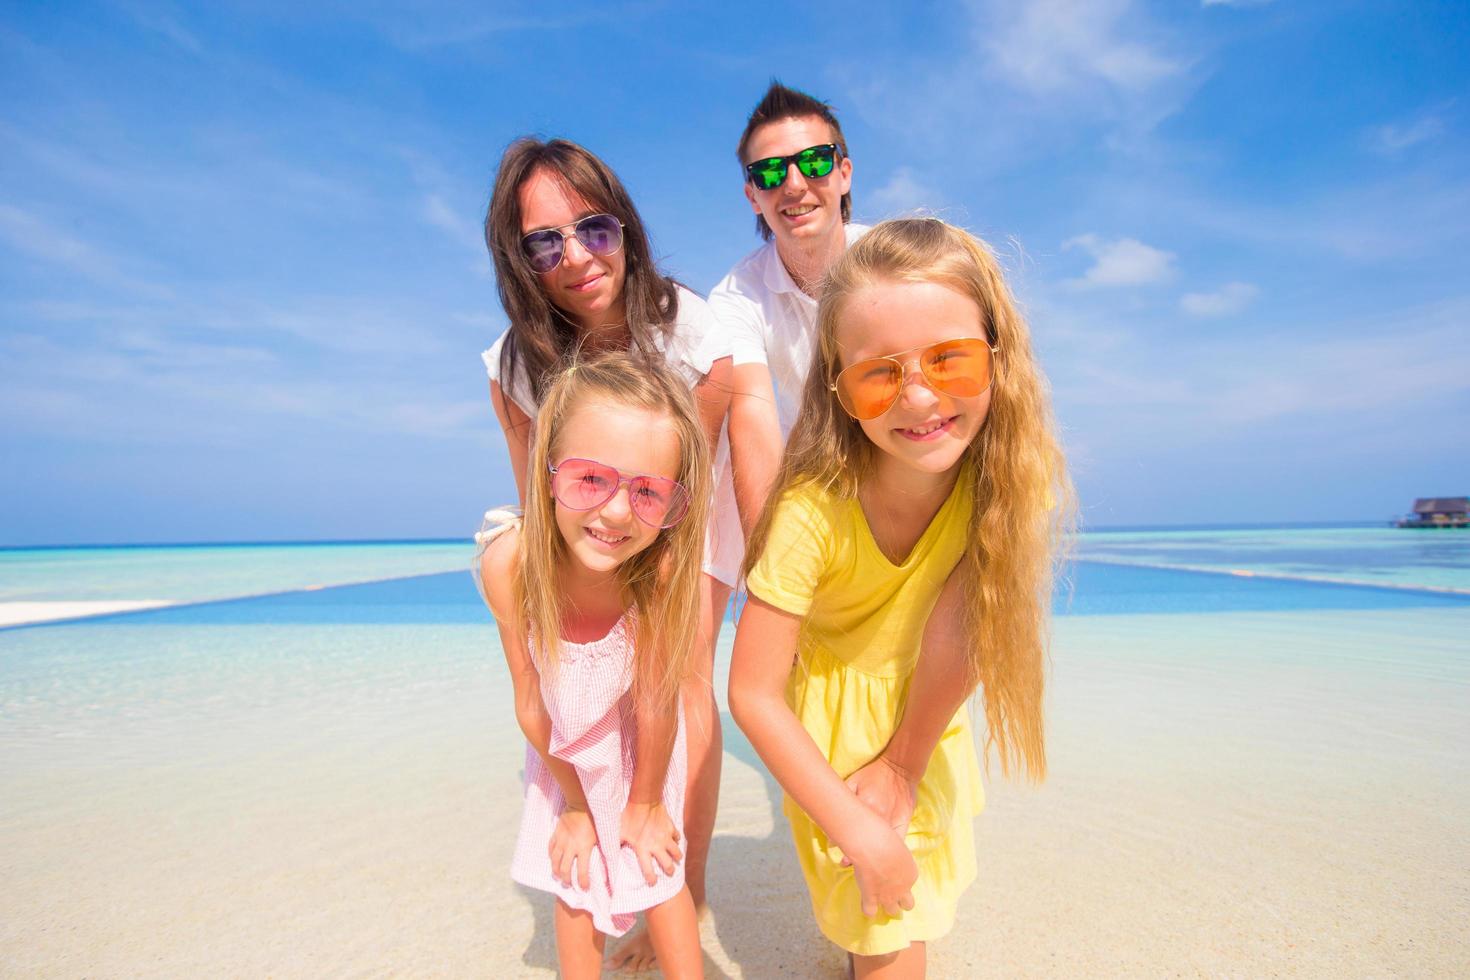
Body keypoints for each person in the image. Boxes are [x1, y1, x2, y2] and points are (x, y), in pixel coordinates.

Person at [728, 219, 1074, 978]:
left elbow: (964, 624)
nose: (918, 396)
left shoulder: (1010, 482)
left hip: (930, 712)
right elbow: (752, 693)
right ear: (841, 392)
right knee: (888, 936)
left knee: (907, 909)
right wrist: (852, 818)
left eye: (949, 359)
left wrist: (907, 765)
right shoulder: (812, 512)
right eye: (881, 374)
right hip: (826, 738)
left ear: (998, 354)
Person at [480, 137, 734, 970]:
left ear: (625, 225)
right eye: (542, 242)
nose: (575, 256)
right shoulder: (514, 362)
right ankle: (604, 836)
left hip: (673, 524)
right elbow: (536, 495)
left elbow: (682, 479)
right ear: (518, 261)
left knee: (680, 682)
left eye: (593, 227)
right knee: (574, 711)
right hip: (580, 532)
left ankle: (677, 880)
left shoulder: (689, 325)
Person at [476, 352, 710, 979]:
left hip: (642, 747)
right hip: (559, 748)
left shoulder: (656, 573)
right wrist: (575, 808)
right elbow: (530, 700)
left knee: (653, 871)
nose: (614, 513)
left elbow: (658, 702)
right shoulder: (511, 566)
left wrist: (647, 802)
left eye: (647, 492)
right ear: (547, 468)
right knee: (574, 877)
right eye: (589, 479)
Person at [709, 80, 868, 533]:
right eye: (770, 173)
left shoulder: (892, 263)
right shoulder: (735, 298)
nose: (794, 185)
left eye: (815, 162)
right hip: (812, 501)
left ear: (844, 172)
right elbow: (752, 421)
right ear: (753, 196)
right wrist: (771, 571)